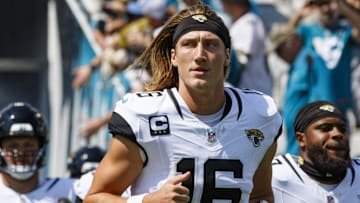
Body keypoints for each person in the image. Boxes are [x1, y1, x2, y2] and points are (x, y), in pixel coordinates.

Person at [84, 2, 283, 203]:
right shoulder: (143, 116)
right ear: (174, 57)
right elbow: (94, 198)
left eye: (211, 44)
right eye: (189, 44)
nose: (200, 56)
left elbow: (260, 196)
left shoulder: (260, 115)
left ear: (227, 57)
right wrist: (146, 201)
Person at [272, 100, 360, 202]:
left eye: (343, 129)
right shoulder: (275, 177)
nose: (337, 134)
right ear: (301, 139)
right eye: (325, 128)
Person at [0, 102, 77, 202]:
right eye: (13, 146)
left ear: (40, 147)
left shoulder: (70, 189)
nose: (21, 152)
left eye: (28, 145)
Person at [220, 0, 272, 96]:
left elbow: (241, 60)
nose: (222, 5)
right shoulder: (240, 22)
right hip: (246, 91)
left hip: (253, 91)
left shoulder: (249, 23)